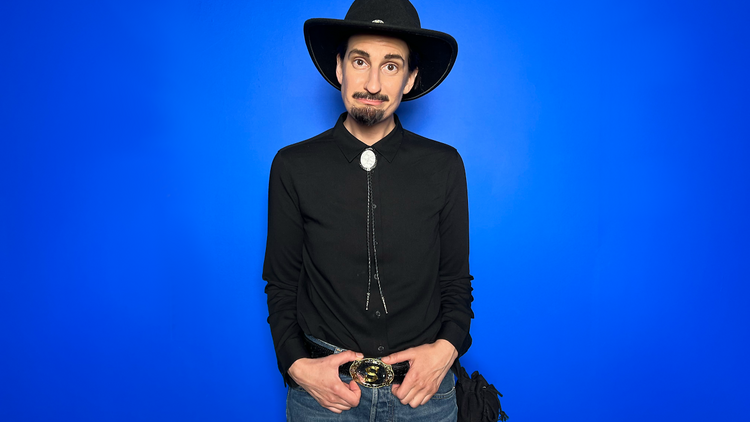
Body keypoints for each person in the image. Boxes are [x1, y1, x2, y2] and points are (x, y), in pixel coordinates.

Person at [263, 0, 473, 420]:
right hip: (326, 396)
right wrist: (296, 365)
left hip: (423, 393)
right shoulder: (292, 165)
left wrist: (446, 352)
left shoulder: (444, 164)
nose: (373, 83)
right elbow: (282, 283)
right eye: (360, 61)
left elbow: (454, 280)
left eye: (391, 66)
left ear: (411, 78)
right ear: (339, 68)